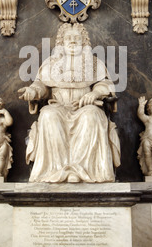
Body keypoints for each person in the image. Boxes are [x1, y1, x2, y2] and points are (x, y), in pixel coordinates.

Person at [18, 23, 121, 183]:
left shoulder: (93, 63)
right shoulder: (51, 63)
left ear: (83, 42)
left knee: (92, 115)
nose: (72, 41)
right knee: (47, 115)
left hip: (84, 108)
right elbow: (41, 85)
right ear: (61, 43)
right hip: (58, 107)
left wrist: (95, 93)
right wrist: (32, 92)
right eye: (68, 38)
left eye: (77, 38)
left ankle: (82, 171)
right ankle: (54, 171)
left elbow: (105, 84)